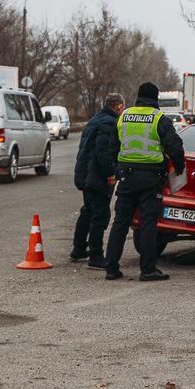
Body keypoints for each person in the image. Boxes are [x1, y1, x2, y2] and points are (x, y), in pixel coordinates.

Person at [103, 82, 185, 281]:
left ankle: (111, 268)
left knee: (120, 222)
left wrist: (116, 170)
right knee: (148, 223)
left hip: (127, 177)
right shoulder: (159, 119)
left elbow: (112, 148)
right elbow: (175, 146)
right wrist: (180, 168)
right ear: (155, 98)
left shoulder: (124, 116)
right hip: (151, 179)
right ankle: (148, 269)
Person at [69, 92, 126, 268]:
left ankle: (78, 249)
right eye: (122, 107)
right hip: (96, 176)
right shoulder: (109, 123)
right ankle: (95, 256)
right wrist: (110, 173)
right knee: (100, 215)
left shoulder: (95, 120)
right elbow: (104, 153)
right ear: (118, 106)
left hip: (85, 173)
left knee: (88, 211)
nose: (122, 110)